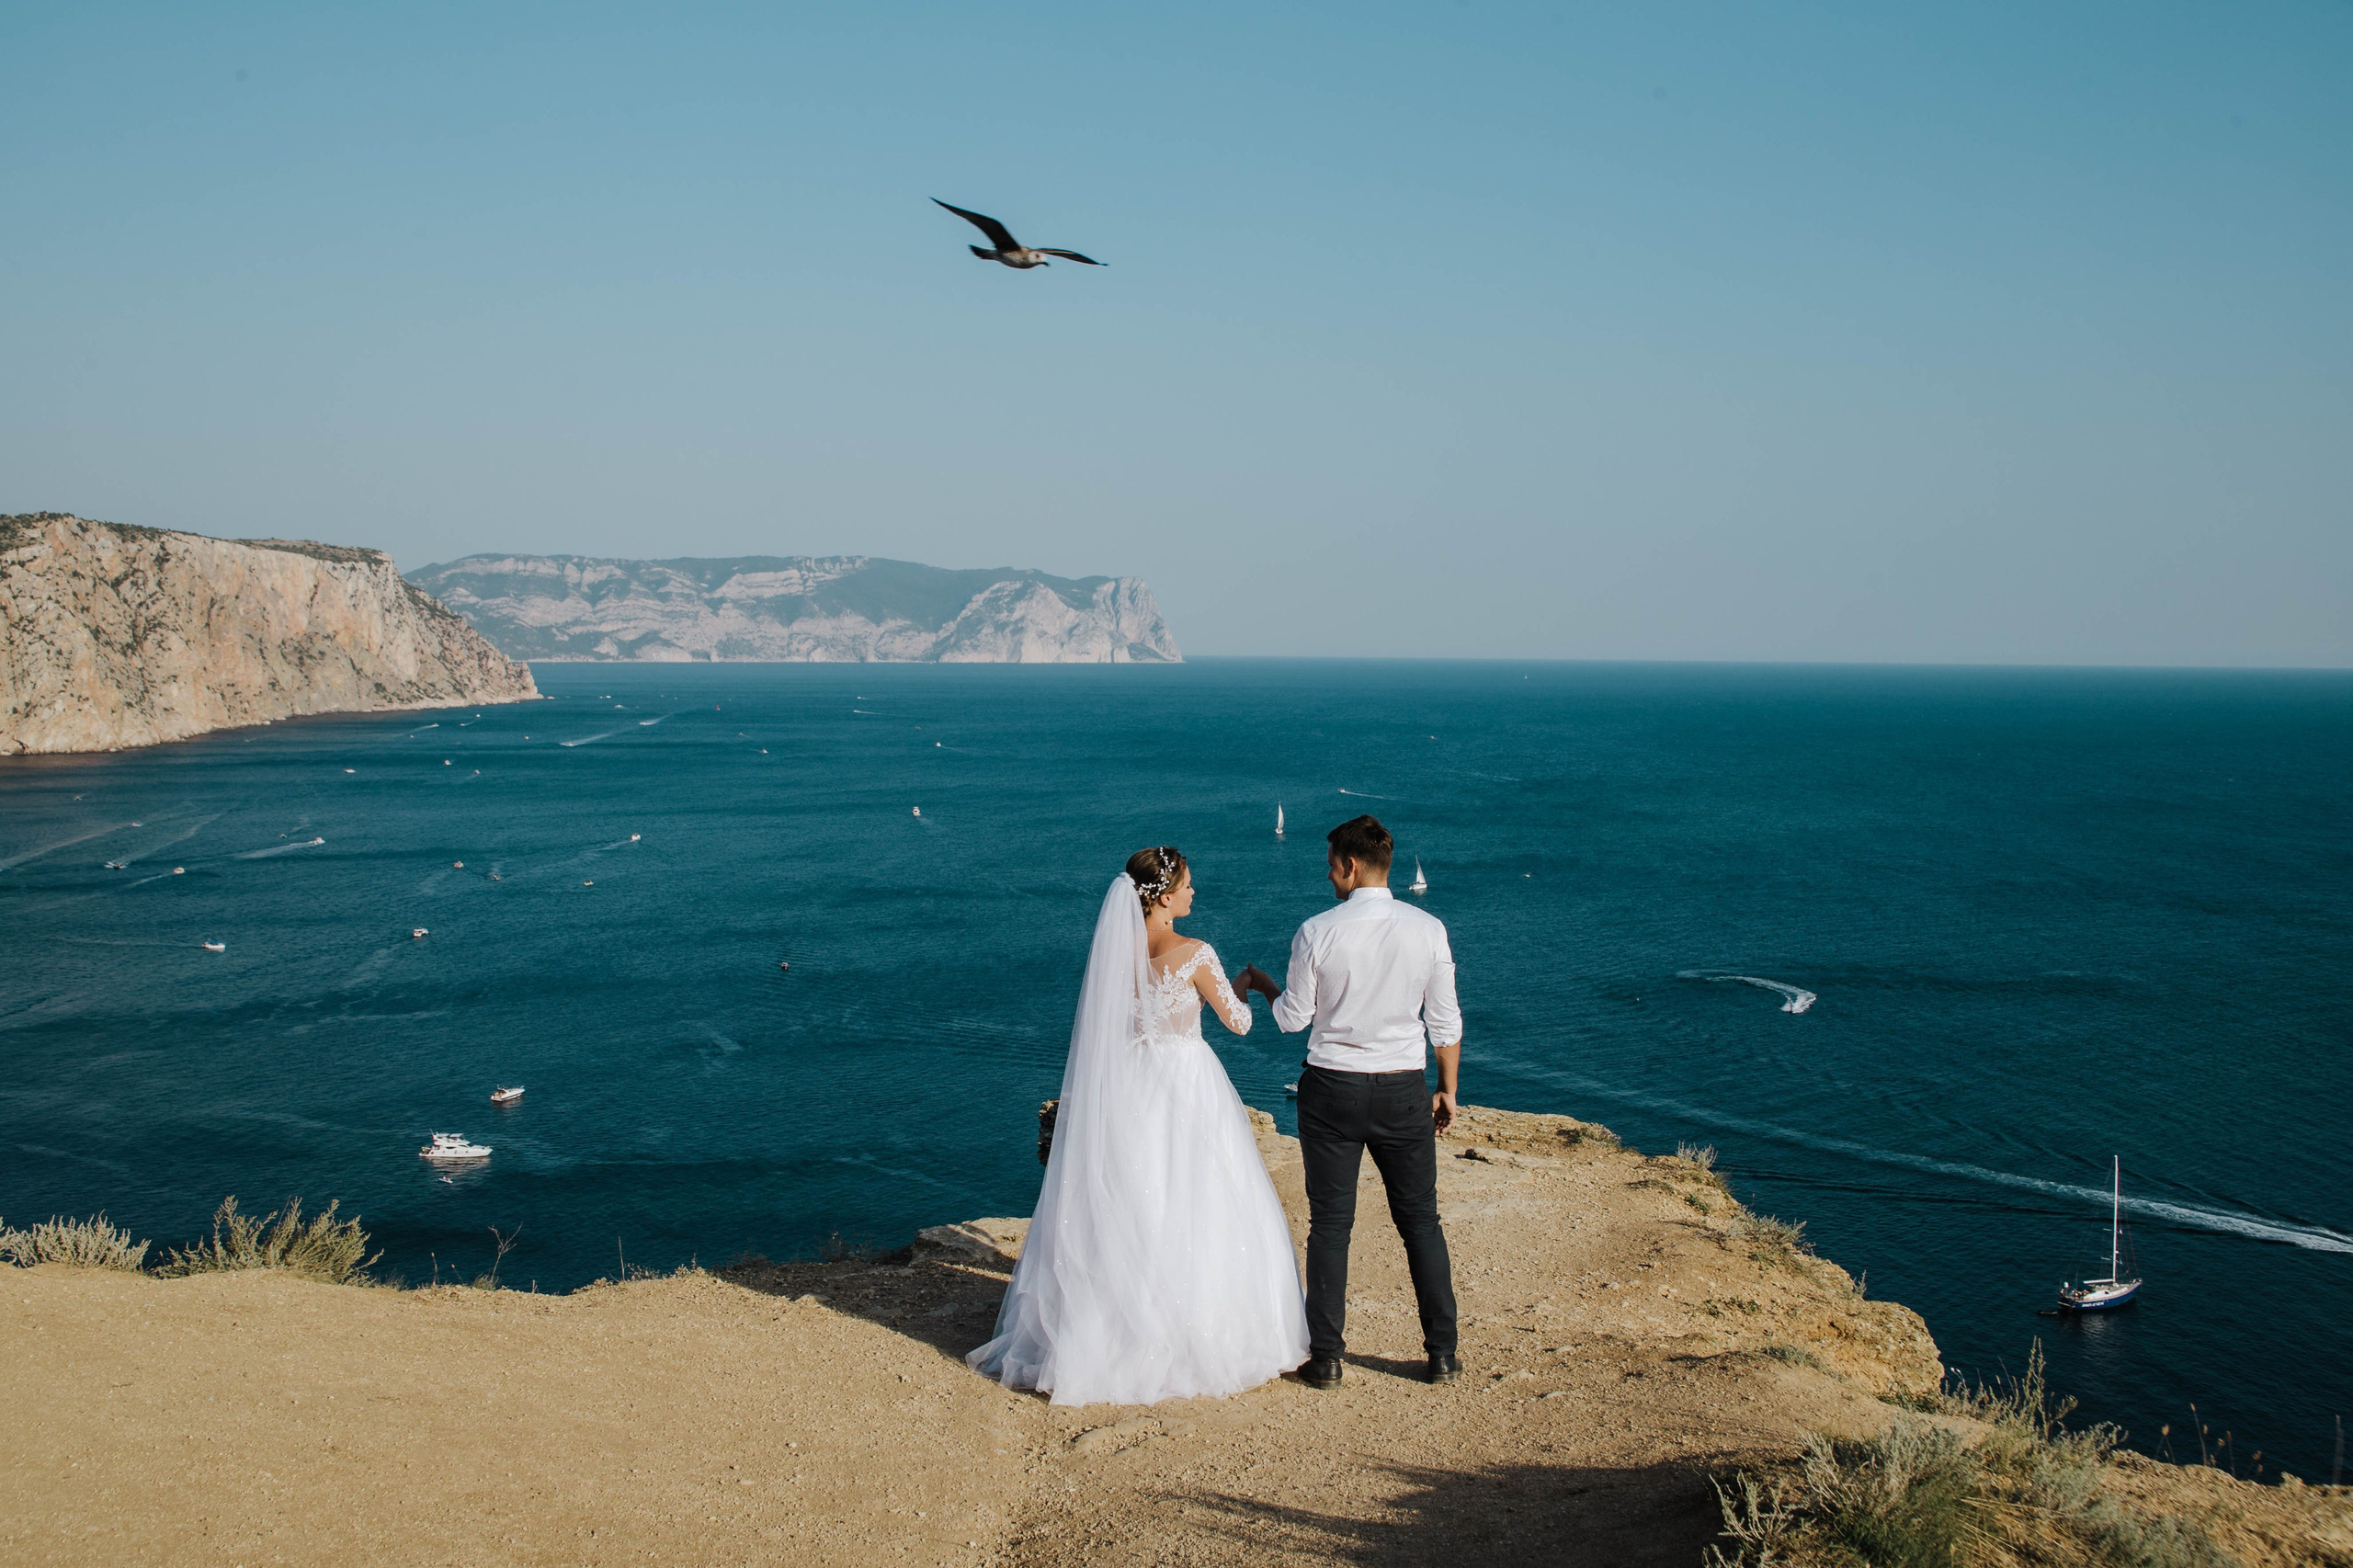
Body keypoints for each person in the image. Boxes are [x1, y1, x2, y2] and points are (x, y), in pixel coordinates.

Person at [969, 846, 1310, 1404]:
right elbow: (1241, 1023)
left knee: (1131, 1198)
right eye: (1189, 885)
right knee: (1196, 1198)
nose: (1194, 893)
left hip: (1130, 1085)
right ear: (1166, 895)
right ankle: (1194, 1331)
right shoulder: (1197, 954)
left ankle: (1113, 1326)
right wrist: (1255, 982)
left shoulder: (1115, 955)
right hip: (1185, 1081)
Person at [1237, 814, 1462, 1388]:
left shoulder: (1317, 930)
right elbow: (1445, 1022)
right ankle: (1441, 1354)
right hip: (1402, 1089)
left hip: (1332, 1088)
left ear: (1351, 865)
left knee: (1331, 1226)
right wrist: (1448, 1090)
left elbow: (1292, 1020)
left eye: (1332, 862)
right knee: (1421, 1223)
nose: (1328, 872)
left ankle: (1328, 1359)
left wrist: (1263, 985)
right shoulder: (1429, 928)